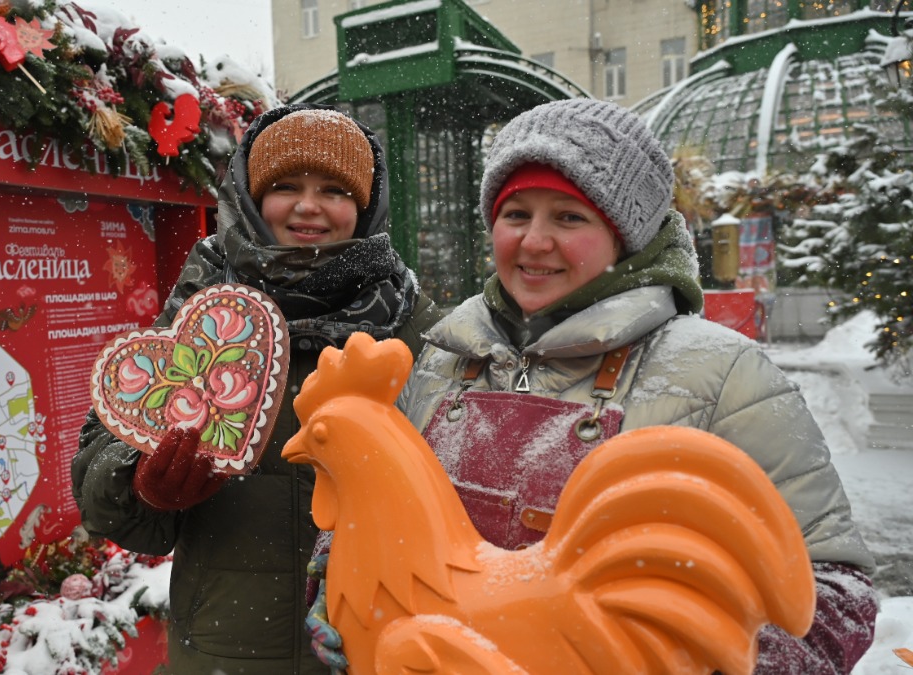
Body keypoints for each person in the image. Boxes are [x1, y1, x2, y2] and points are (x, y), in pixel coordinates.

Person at [308, 97, 878, 674]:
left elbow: (834, 592)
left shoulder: (721, 370)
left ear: (625, 236)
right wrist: (345, 587)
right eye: (516, 214)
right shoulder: (444, 359)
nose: (534, 241)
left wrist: (684, 650)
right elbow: (381, 510)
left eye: (569, 217)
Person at [72, 103, 442, 674]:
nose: (309, 206)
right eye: (286, 186)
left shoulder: (414, 326)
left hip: (381, 648)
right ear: (251, 197)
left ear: (366, 207)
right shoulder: (202, 316)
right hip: (226, 651)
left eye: (335, 190)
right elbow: (102, 475)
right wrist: (141, 483)